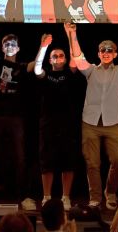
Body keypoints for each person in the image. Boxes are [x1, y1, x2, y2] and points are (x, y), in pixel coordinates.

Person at [71, 12, 118, 209]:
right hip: (90, 122)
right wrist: (72, 34)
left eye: (110, 50)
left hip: (113, 122)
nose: (106, 52)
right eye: (103, 50)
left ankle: (111, 193)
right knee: (92, 163)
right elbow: (78, 56)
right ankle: (95, 197)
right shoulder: (90, 70)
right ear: (99, 53)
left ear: (115, 54)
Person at [0, 1, 36, 211]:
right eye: (6, 43)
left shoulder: (21, 66)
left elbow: (36, 66)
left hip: (16, 117)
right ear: (2, 47)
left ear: (18, 48)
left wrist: (44, 47)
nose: (10, 46)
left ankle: (25, 196)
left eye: (13, 43)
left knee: (20, 157)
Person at [33, 24, 84, 210]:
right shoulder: (45, 74)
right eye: (54, 56)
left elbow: (75, 57)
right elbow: (37, 68)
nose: (58, 58)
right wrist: (44, 46)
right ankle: (46, 196)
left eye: (61, 56)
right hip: (48, 123)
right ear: (50, 59)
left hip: (68, 124)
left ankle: (65, 197)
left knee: (68, 161)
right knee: (47, 161)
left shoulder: (69, 72)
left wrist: (70, 34)